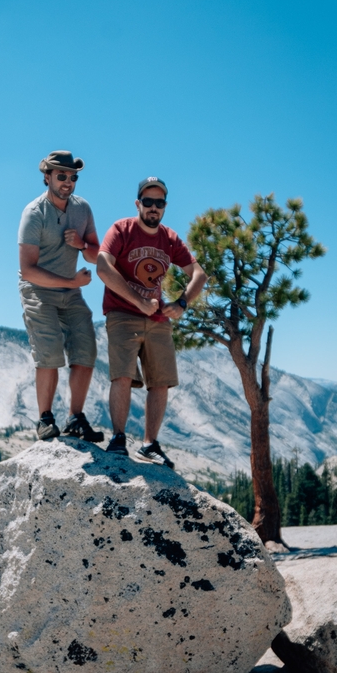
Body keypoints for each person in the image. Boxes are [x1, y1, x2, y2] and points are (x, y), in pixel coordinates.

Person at [97, 176, 207, 467]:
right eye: (148, 202)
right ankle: (118, 438)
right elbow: (103, 267)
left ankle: (149, 444)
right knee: (122, 375)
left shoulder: (169, 238)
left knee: (160, 382)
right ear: (138, 204)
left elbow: (199, 274)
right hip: (122, 313)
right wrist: (138, 302)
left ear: (165, 206)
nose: (153, 208)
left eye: (159, 203)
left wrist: (182, 302)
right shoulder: (122, 229)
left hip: (158, 318)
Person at [18, 150, 103, 442]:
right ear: (47, 177)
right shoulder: (34, 213)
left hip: (71, 290)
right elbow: (28, 270)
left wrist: (81, 245)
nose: (68, 182)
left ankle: (75, 419)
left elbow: (95, 255)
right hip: (38, 291)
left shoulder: (83, 209)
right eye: (61, 176)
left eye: (73, 177)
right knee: (50, 353)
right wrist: (70, 280)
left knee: (86, 350)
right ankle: (44, 420)